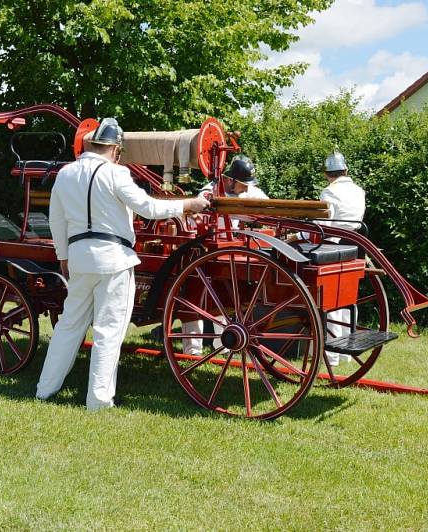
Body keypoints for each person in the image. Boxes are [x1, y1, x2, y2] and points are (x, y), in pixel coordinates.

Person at [36, 118, 209, 410]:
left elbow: (56, 220)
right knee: (108, 330)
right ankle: (99, 401)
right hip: (114, 259)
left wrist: (63, 257)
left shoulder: (65, 174)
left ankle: (45, 390)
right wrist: (189, 204)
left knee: (68, 326)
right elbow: (149, 208)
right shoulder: (117, 174)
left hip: (78, 258)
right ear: (116, 149)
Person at [181, 155, 268, 356]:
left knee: (223, 300)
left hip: (227, 252)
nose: (246, 189)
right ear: (230, 180)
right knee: (194, 302)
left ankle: (223, 346)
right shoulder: (208, 192)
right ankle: (192, 351)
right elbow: (196, 215)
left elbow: (267, 205)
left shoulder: (248, 191)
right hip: (202, 252)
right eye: (243, 185)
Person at [319, 150, 366, 367]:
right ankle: (345, 354)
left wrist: (296, 236)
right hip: (355, 245)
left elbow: (324, 228)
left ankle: (332, 355)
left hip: (332, 247)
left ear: (328, 173)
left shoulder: (329, 192)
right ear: (345, 170)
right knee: (346, 299)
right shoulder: (359, 191)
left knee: (330, 303)